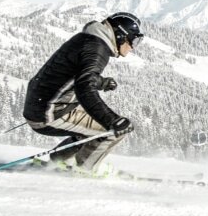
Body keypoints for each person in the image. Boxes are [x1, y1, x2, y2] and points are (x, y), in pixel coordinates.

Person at [23, 12, 144, 172]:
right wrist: (111, 120)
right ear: (121, 35)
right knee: (112, 131)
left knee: (91, 128)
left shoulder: (89, 40)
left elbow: (75, 74)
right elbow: (84, 87)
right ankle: (85, 169)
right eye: (134, 40)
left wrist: (101, 82)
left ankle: (58, 161)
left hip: (41, 105)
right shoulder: (96, 48)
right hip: (49, 112)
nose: (133, 47)